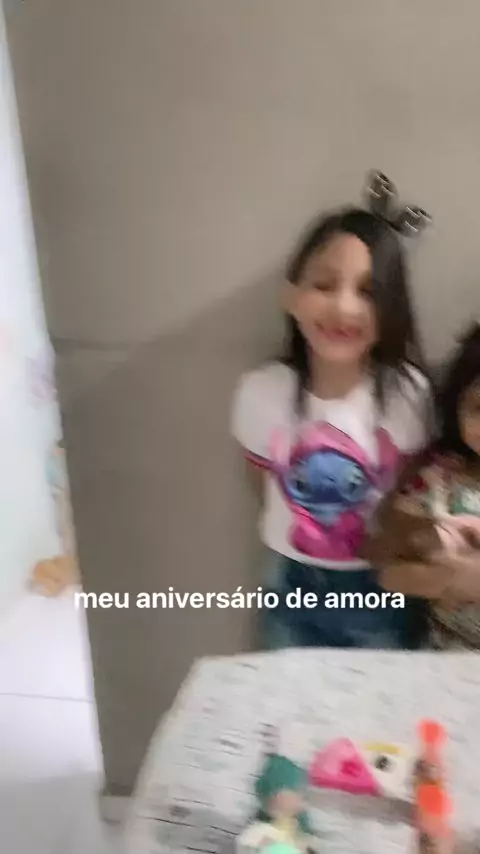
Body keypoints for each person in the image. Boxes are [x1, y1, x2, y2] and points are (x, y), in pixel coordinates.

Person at [231, 183, 433, 650]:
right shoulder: (261, 392)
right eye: (323, 285)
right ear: (291, 296)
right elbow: (262, 482)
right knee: (287, 692)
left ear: (392, 308)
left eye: (368, 292)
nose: (344, 307)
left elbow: (409, 490)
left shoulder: (407, 394)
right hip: (289, 580)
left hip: (379, 584)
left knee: (377, 695)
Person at [367, 322, 480, 649]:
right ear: (457, 405)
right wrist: (448, 580)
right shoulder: (440, 478)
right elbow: (389, 573)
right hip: (448, 651)